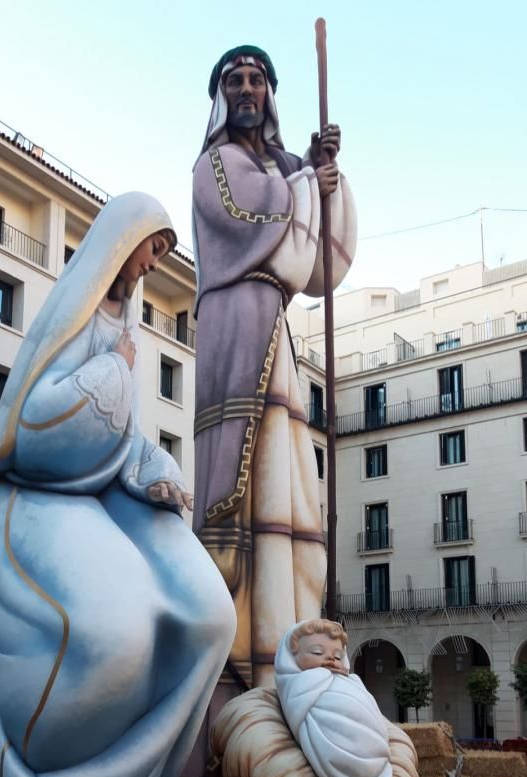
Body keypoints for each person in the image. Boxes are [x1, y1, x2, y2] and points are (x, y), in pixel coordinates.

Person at [0, 192, 236, 777]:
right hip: (39, 491)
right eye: (152, 248)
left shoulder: (127, 324)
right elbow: (33, 422)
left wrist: (159, 472)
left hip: (106, 490)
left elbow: (124, 435)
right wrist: (117, 371)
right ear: (122, 241)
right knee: (113, 633)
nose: (152, 264)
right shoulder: (75, 316)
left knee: (210, 617)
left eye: (163, 253)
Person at [191, 46, 357, 726]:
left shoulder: (280, 168)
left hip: (276, 336)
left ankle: (283, 659)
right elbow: (258, 217)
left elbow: (322, 262)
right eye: (235, 80)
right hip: (234, 326)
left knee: (287, 501)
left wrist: (328, 176)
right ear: (221, 94)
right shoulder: (215, 166)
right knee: (241, 497)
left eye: (257, 79)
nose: (248, 89)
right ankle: (236, 672)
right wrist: (305, 183)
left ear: (272, 93)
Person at [275, 619, 393, 777]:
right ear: (291, 657)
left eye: (337, 656)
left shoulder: (351, 681)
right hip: (337, 744)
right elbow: (298, 707)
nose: (330, 659)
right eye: (317, 653)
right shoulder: (299, 684)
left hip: (374, 748)